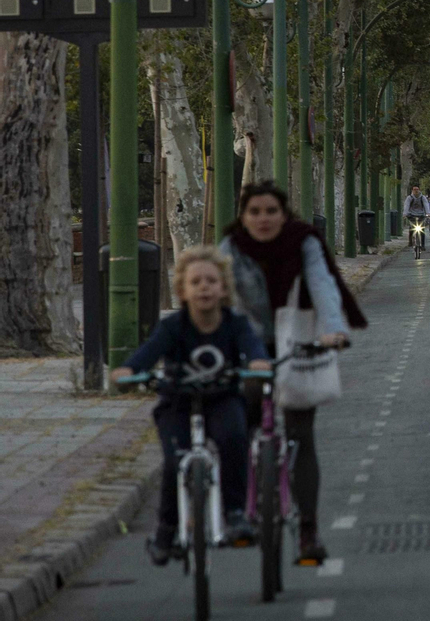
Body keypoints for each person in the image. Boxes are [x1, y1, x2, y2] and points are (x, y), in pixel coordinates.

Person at [220, 181, 367, 565]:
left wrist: (332, 329)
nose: (263, 219)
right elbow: (219, 295)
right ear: (244, 216)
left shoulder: (304, 242)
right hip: (248, 345)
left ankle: (307, 531)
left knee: (301, 432)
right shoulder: (231, 247)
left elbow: (322, 285)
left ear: (284, 215)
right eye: (254, 212)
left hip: (298, 341)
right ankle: (237, 510)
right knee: (237, 423)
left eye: (271, 211)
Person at [112, 246, 270, 565]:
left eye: (211, 281)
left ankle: (235, 512)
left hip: (223, 399)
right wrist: (129, 369)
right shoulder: (173, 326)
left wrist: (258, 361)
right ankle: (166, 530)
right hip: (177, 404)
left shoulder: (235, 324)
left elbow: (253, 348)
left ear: (224, 288)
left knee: (234, 438)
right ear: (182, 290)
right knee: (174, 461)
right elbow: (149, 352)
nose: (204, 287)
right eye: (195, 282)